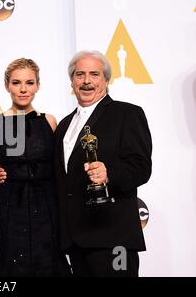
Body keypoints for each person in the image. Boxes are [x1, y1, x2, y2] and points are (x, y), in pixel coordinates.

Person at [54, 50, 152, 276]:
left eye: (94, 74)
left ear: (106, 80)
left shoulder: (127, 114)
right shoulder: (64, 126)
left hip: (113, 239)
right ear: (72, 81)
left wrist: (109, 174)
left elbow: (141, 167)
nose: (87, 81)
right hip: (75, 241)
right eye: (80, 75)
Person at [0, 58, 70, 276]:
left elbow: (59, 166)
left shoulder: (50, 121)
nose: (23, 89)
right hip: (11, 207)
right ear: (7, 86)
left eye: (29, 83)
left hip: (47, 205)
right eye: (16, 83)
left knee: (49, 261)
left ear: (38, 86)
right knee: (12, 264)